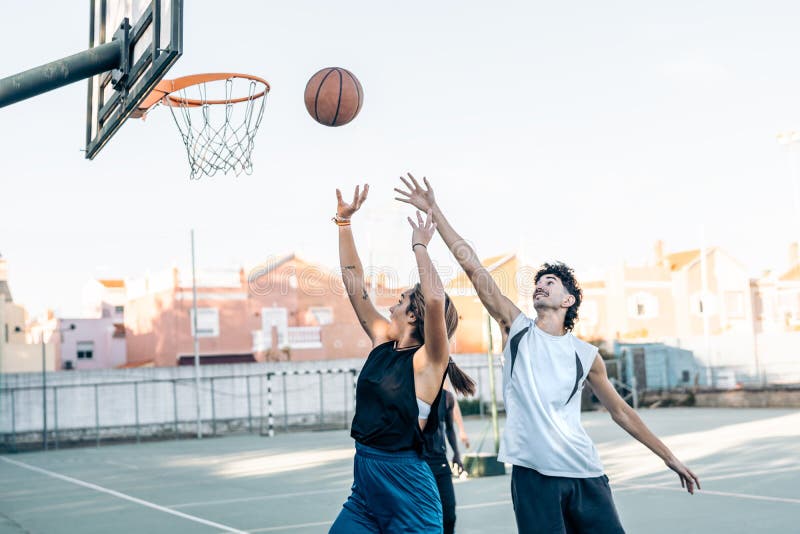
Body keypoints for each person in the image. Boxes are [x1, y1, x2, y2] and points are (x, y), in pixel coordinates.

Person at [395, 174, 701, 534]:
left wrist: (669, 457)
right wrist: (435, 210)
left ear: (567, 301)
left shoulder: (586, 355)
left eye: (550, 282)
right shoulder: (518, 329)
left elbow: (621, 411)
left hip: (585, 473)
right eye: (538, 281)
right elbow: (473, 267)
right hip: (534, 476)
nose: (540, 285)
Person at [329, 184, 476, 534]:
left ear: (413, 315)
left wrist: (420, 245)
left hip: (407, 489)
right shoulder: (383, 342)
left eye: (403, 297)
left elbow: (436, 300)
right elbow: (354, 283)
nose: (394, 301)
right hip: (365, 482)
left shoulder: (429, 361)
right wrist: (343, 223)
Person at [422, 387, 465, 534]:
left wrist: (457, 454)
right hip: (419, 462)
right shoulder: (413, 392)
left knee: (449, 514)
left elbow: (449, 428)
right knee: (425, 515)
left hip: (440, 460)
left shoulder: (447, 397)